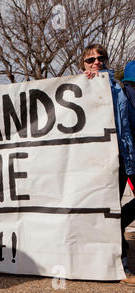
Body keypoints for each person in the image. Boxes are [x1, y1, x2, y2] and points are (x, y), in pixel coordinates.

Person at [80, 45, 135, 279]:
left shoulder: (119, 89)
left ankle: (119, 227)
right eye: (90, 59)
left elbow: (130, 121)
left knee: (114, 216)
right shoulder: (77, 88)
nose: (96, 62)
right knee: (104, 211)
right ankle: (121, 265)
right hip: (96, 162)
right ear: (83, 64)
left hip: (123, 157)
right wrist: (85, 84)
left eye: (100, 58)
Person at [119, 60, 135, 286]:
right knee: (111, 207)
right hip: (123, 157)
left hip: (129, 157)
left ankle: (118, 223)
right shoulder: (122, 93)